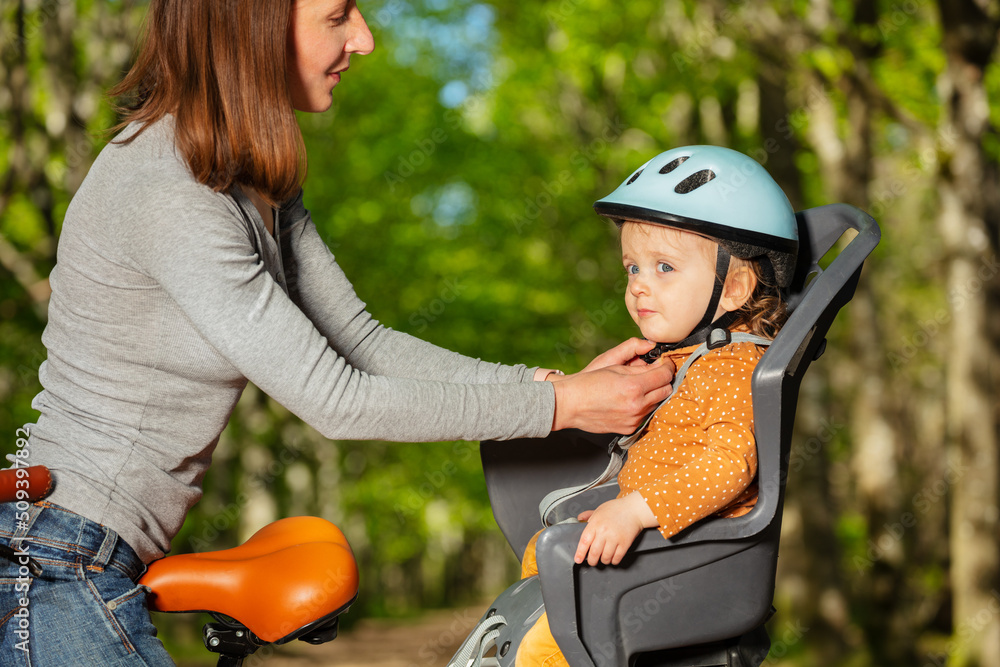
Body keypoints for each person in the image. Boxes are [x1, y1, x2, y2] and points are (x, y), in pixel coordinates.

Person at [0, 2, 676, 665]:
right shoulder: (171, 186)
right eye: (338, 14)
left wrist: (552, 386)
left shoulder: (250, 177)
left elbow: (361, 341)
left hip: (93, 550)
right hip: (63, 557)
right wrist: (568, 408)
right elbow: (338, 400)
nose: (366, 39)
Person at [513, 145, 800, 667]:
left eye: (664, 267)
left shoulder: (733, 368)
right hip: (661, 536)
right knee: (543, 553)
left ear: (735, 286)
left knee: (545, 646)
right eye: (632, 268)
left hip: (698, 552)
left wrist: (634, 510)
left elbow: (729, 463)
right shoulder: (690, 358)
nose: (639, 284)